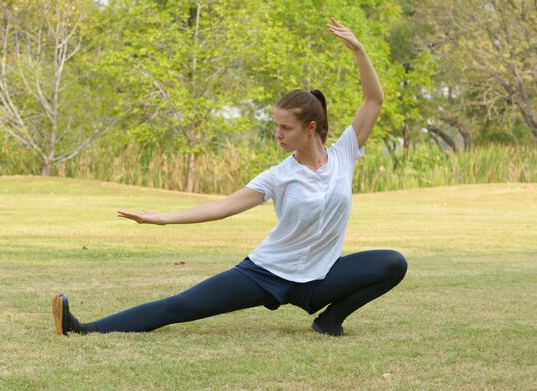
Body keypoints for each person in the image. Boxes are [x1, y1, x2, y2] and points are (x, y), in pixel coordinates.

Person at [52, 18, 407, 338]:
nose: (278, 135)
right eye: (275, 127)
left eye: (286, 128)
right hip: (267, 272)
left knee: (392, 263)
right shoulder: (279, 176)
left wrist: (359, 50)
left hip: (320, 278)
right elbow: (223, 208)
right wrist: (161, 218)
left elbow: (373, 100)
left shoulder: (344, 153)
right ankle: (84, 329)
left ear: (310, 128)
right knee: (181, 307)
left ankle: (329, 322)